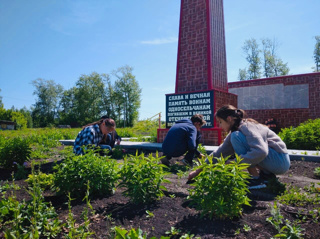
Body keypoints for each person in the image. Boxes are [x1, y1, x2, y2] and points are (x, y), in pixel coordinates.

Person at [188, 105, 290, 189]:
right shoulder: (238, 129)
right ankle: (265, 176)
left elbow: (261, 151)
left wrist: (236, 162)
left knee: (235, 137)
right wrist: (198, 171)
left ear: (229, 119)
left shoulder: (246, 126)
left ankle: (256, 179)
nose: (220, 126)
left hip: (279, 161)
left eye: (220, 122)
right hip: (277, 161)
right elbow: (219, 152)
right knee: (234, 137)